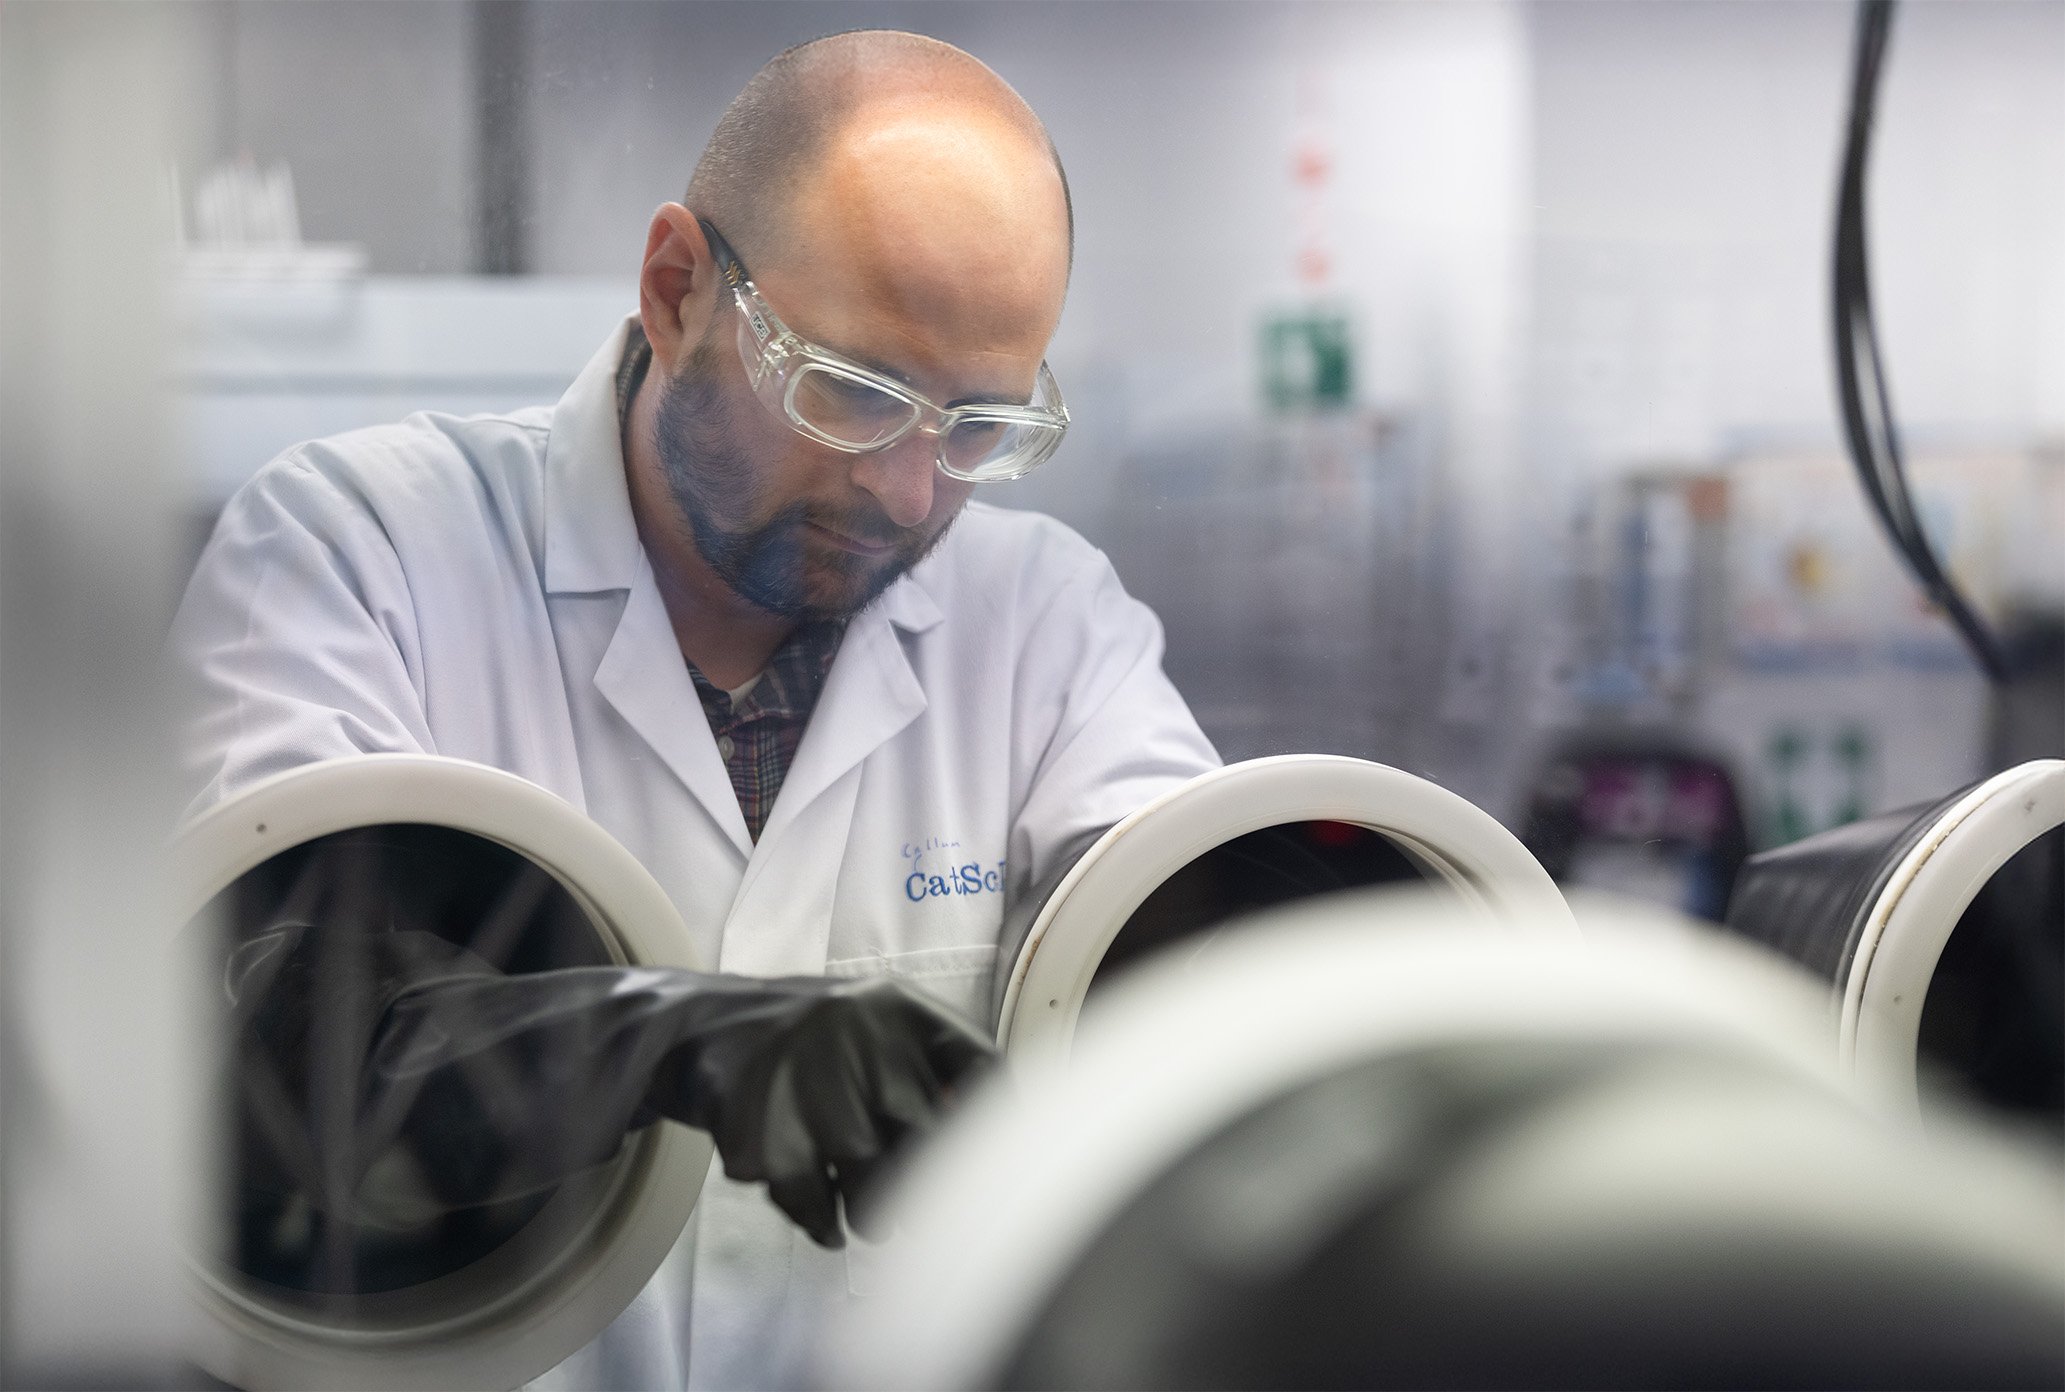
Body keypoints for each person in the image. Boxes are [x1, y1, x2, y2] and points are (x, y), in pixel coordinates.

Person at [170, 28, 1220, 1391]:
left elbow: (1202, 972)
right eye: (852, 394)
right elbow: (264, 1030)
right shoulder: (362, 549)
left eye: (977, 430)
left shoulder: (1044, 622)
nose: (911, 495)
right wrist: (664, 1037)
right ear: (677, 290)